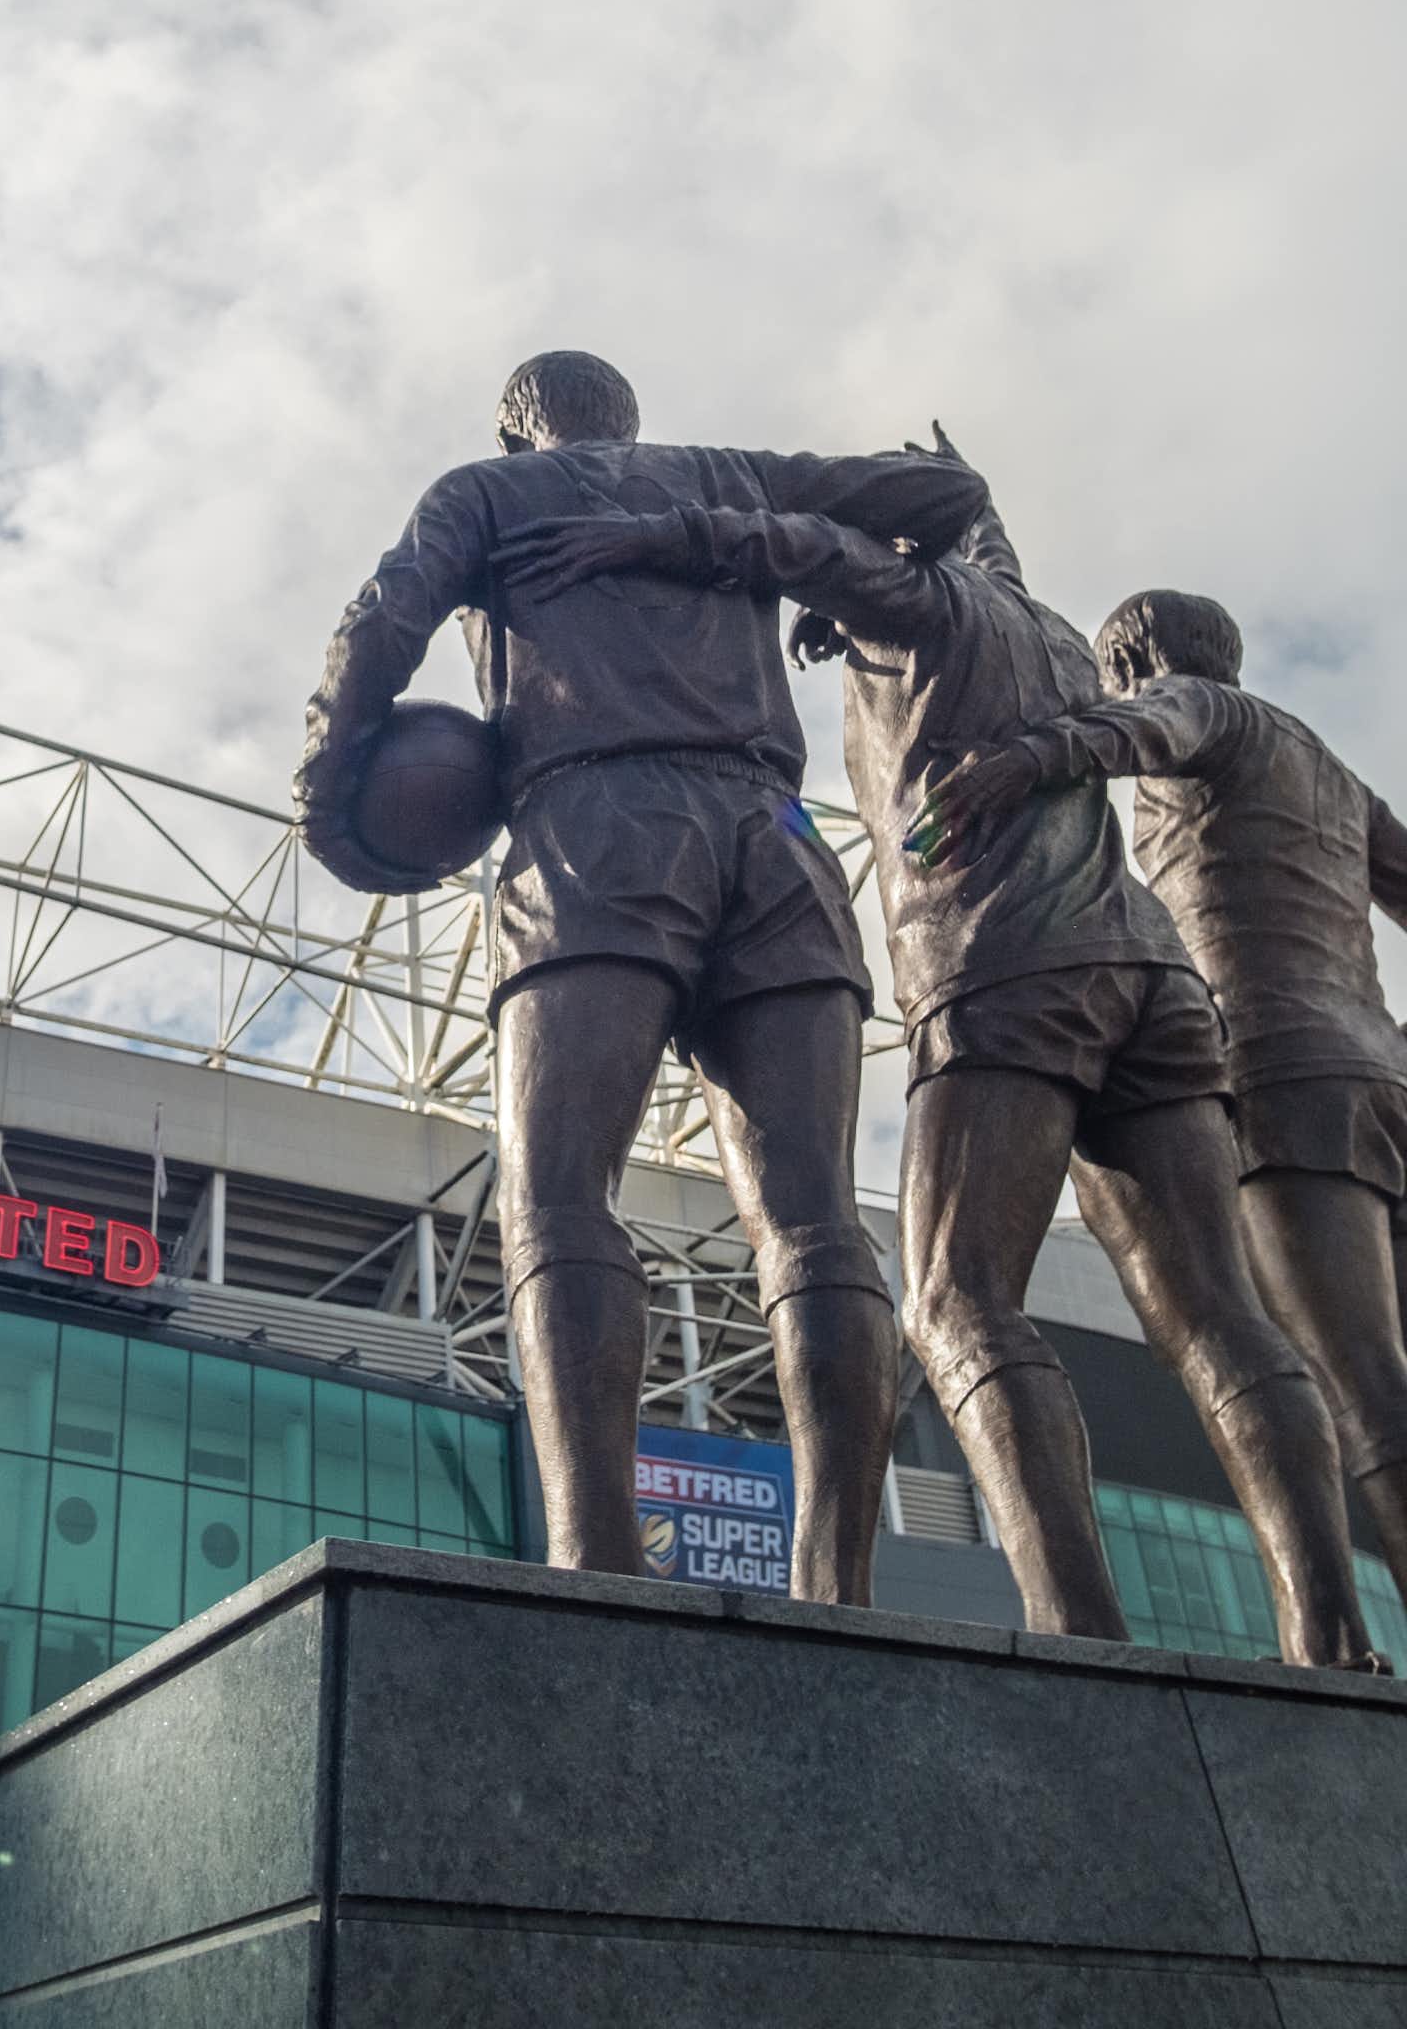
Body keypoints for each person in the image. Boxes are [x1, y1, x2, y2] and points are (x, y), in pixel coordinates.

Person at [527, 462, 1374, 1661]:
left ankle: (1080, 1629)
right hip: (1160, 977)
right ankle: (1330, 1630)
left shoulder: (916, 597)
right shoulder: (1064, 637)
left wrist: (645, 533)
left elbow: (780, 545)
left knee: (953, 1297)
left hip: (1010, 969)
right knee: (1220, 1313)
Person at [297, 351, 987, 1601]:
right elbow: (949, 498)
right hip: (778, 843)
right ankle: (837, 1584)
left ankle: (595, 1566)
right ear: (629, 418)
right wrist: (740, 536)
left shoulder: (488, 494)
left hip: (595, 825)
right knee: (814, 1216)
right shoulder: (731, 475)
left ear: (520, 433)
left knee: (559, 1199)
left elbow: (379, 627)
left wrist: (328, 799)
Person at [914, 585, 1407, 1604]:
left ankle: (1336, 1635)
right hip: (1381, 1074)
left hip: (1287, 1084)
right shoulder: (1328, 767)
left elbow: (1147, 727)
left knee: (1361, 1387)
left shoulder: (1200, 706)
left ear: (1134, 658)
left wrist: (1026, 758)